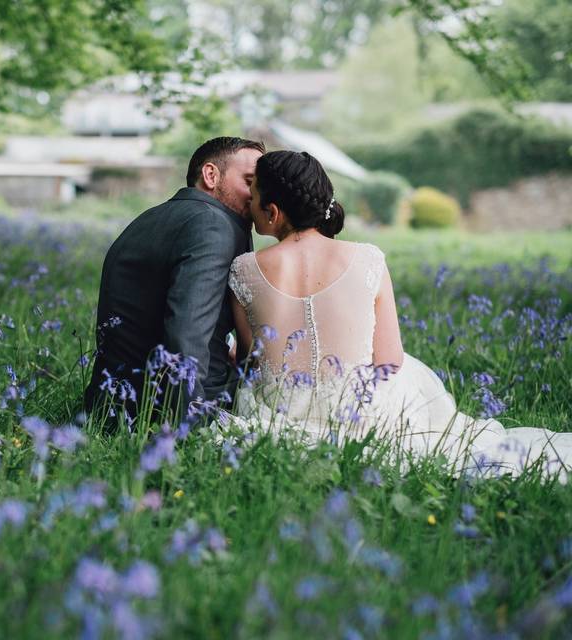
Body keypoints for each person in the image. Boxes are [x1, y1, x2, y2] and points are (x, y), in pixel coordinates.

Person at [224, 149, 572, 482]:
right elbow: (389, 360)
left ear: (272, 212)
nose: (248, 206)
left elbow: (251, 359)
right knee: (412, 374)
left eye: (252, 198)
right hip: (359, 412)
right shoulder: (368, 259)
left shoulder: (244, 269)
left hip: (281, 412)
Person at [84, 137, 265, 424]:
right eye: (249, 182)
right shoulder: (214, 225)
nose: (258, 196)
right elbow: (186, 336)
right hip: (169, 410)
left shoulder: (150, 218)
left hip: (112, 403)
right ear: (210, 175)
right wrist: (187, 431)